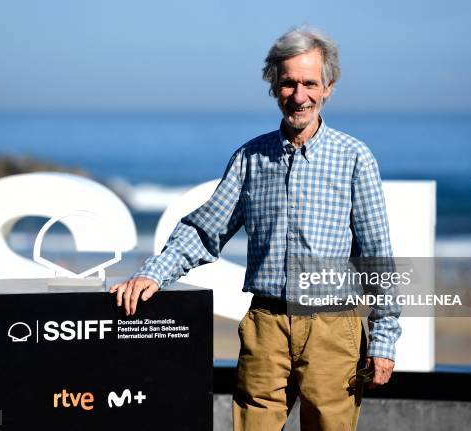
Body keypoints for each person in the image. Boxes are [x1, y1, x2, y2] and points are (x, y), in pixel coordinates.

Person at [110, 27, 401, 431]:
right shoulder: (249, 157)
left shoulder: (355, 158)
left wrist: (384, 337)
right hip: (266, 326)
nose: (299, 96)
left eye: (310, 83)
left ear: (329, 87)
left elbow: (376, 255)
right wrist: (153, 273)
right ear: (274, 87)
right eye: (288, 84)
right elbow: (204, 230)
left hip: (333, 328)